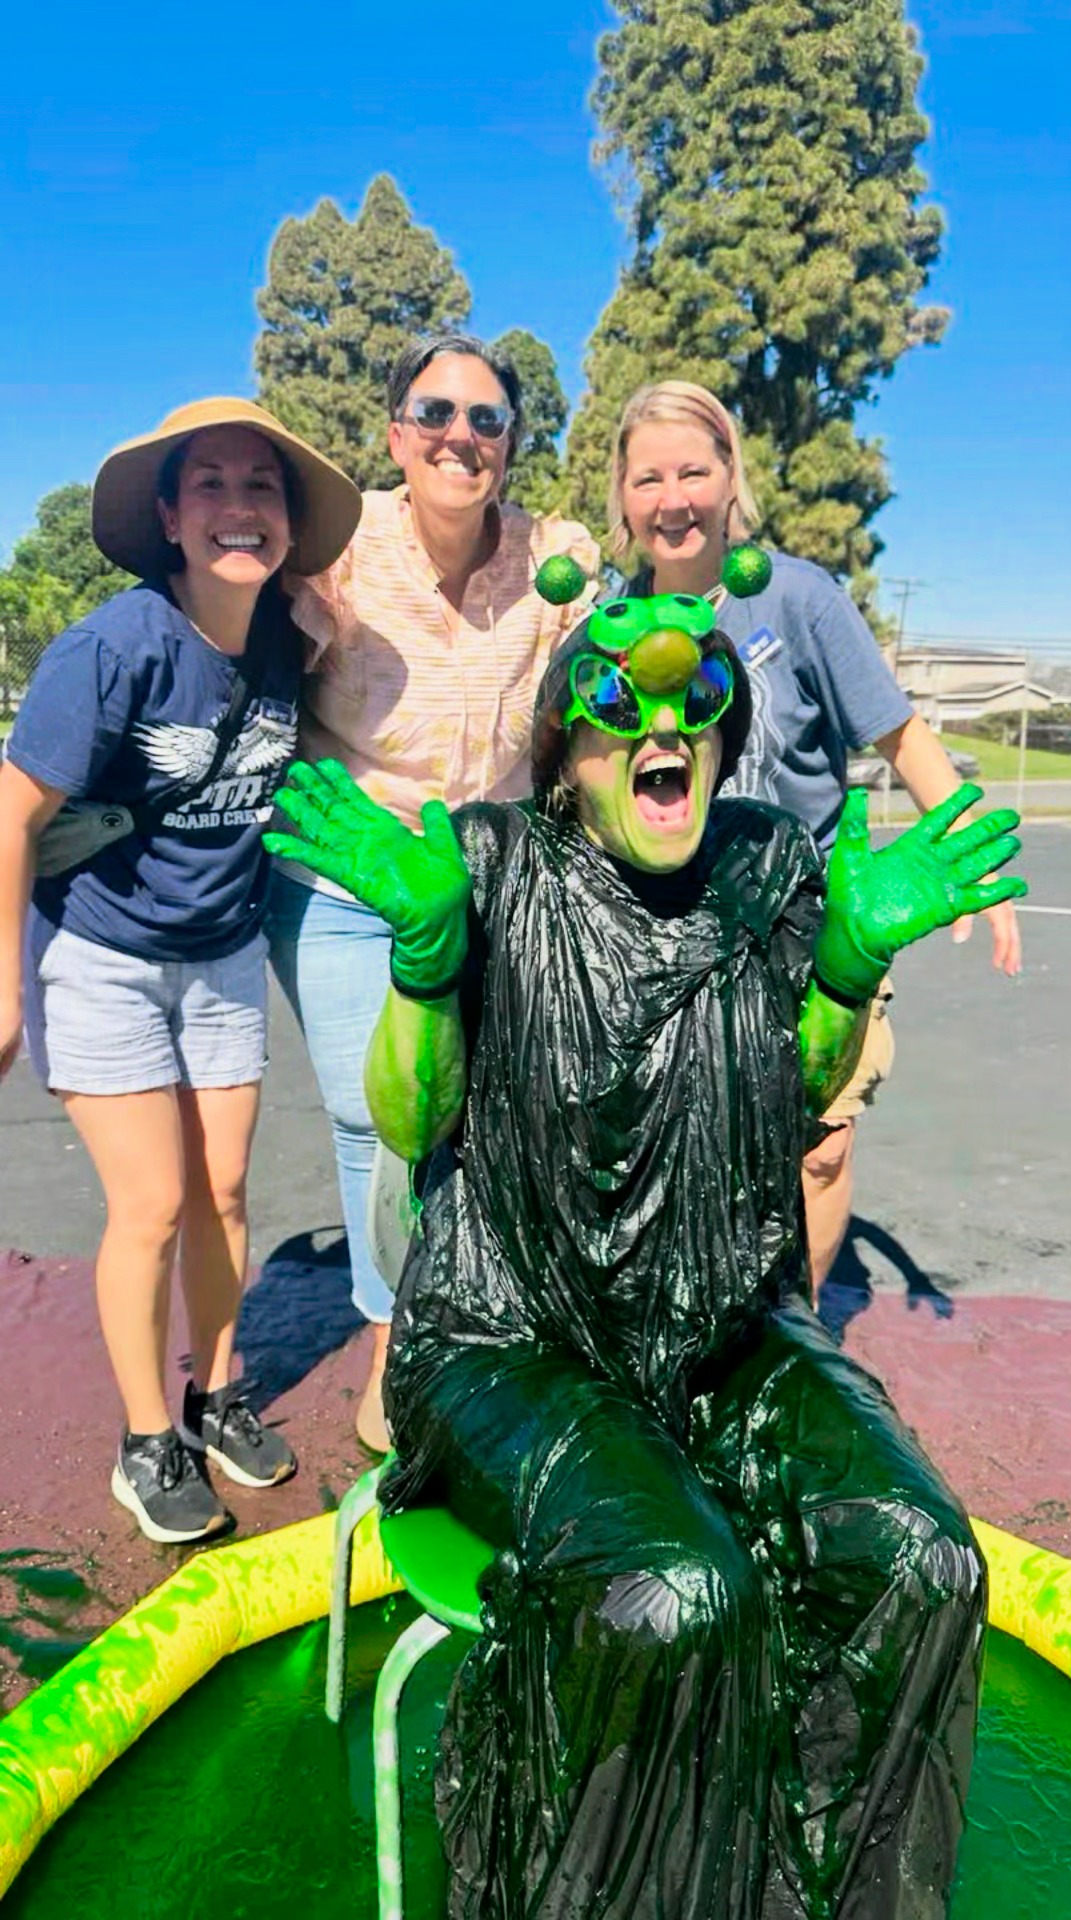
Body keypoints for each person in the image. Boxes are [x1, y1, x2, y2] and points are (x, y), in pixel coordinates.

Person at [266, 590, 1024, 1918]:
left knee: (923, 1557)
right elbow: (414, 1122)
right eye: (620, 704)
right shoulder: (491, 863)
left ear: (725, 733)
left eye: (697, 699)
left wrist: (845, 970)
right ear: (569, 750)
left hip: (727, 1323)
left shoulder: (766, 864)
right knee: (671, 1591)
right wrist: (427, 960)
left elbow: (801, 1098)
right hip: (511, 1336)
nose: (662, 726)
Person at [0, 397, 361, 1543]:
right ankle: (146, 1440)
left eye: (262, 487)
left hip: (221, 955)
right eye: (210, 483)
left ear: (288, 523)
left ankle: (216, 1397)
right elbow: (12, 813)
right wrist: (2, 981)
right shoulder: (113, 649)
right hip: (101, 955)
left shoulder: (289, 637)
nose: (238, 507)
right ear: (168, 516)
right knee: (152, 1204)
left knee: (225, 1195)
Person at [607, 380, 1023, 1291]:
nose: (673, 499)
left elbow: (901, 737)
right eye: (648, 479)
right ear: (623, 497)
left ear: (730, 478)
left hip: (810, 922)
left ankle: (797, 1327)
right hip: (672, 930)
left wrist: (975, 862)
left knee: (819, 1148)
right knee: (684, 1142)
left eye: (693, 472)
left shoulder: (797, 597)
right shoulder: (612, 612)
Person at [267, 331, 597, 1452]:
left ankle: (493, 1331)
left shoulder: (558, 558)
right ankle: (391, 1347)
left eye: (487, 418)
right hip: (349, 883)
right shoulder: (338, 553)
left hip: (493, 880)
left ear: (512, 439)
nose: (462, 436)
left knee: (492, 1111)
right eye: (437, 414)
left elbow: (591, 707)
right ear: (398, 434)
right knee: (383, 1118)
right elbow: (249, 676)